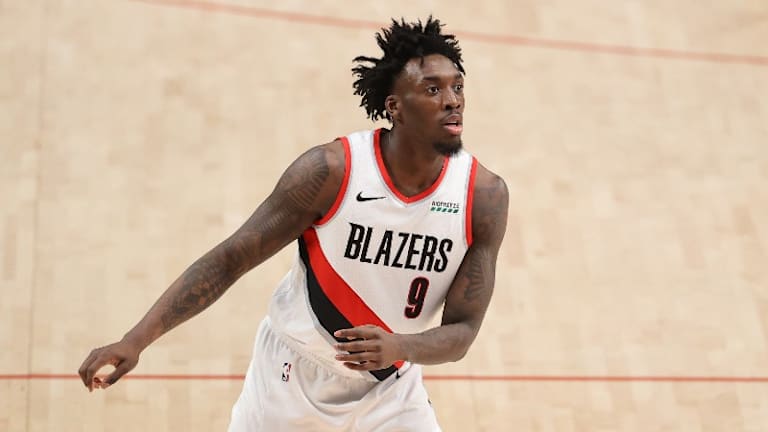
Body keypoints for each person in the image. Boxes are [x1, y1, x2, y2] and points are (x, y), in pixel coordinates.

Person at [79, 16, 508, 431]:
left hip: (391, 387)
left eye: (457, 86)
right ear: (394, 107)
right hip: (291, 379)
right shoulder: (332, 172)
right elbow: (230, 259)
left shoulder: (483, 197)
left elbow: (463, 330)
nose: (452, 100)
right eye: (432, 89)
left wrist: (399, 346)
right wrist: (136, 339)